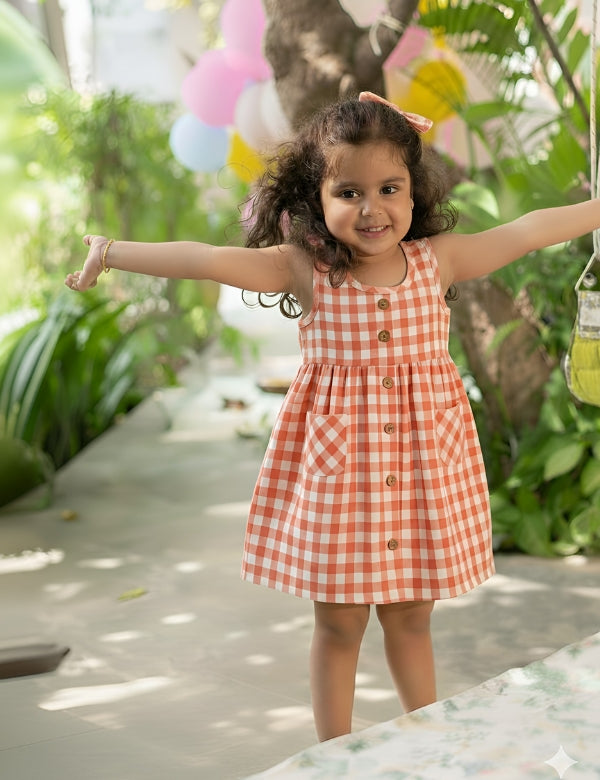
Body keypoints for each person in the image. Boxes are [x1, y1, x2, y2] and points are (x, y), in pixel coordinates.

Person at [66, 91, 600, 742]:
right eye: (348, 192)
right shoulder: (304, 269)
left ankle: (424, 739)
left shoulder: (439, 261)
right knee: (340, 619)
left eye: (389, 188)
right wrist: (113, 251)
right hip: (339, 476)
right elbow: (204, 258)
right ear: (315, 198)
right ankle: (334, 752)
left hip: (418, 470)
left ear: (415, 191)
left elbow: (527, 230)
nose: (372, 208)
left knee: (410, 614)